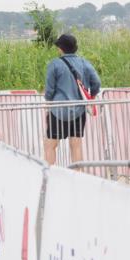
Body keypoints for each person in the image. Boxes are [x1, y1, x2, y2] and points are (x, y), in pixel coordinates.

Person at [44, 33, 101, 166]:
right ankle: (78, 175)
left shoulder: (55, 64)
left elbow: (49, 90)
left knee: (50, 145)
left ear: (60, 48)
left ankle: (49, 174)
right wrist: (92, 96)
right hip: (79, 110)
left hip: (58, 111)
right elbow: (97, 82)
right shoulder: (84, 63)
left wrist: (49, 100)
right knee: (76, 145)